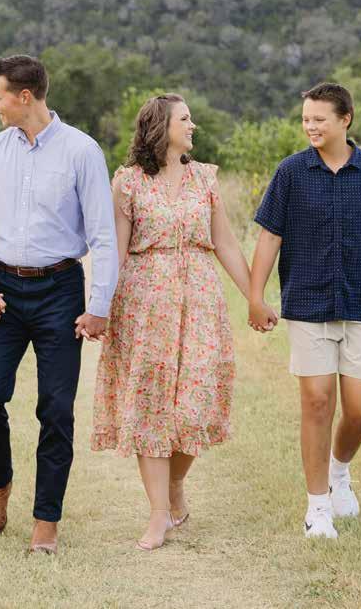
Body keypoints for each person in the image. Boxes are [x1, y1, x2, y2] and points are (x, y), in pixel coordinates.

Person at [91, 93, 269, 551]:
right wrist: (99, 306)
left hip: (201, 302)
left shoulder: (204, 177)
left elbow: (224, 243)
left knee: (196, 405)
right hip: (145, 305)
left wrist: (254, 297)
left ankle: (174, 484)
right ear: (160, 127)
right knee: (150, 407)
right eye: (185, 119)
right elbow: (116, 252)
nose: (193, 126)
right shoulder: (128, 182)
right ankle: (158, 515)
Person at [0, 54, 118, 554]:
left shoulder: (82, 151)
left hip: (60, 291)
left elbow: (103, 235)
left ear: (24, 97)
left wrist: (99, 305)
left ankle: (46, 519)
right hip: (2, 288)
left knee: (55, 409)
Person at [249, 82, 361, 539]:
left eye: (319, 119)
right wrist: (255, 296)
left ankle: (340, 471)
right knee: (318, 401)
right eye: (306, 119)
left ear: (345, 120)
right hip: (308, 302)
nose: (311, 126)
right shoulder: (291, 172)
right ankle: (317, 506)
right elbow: (269, 236)